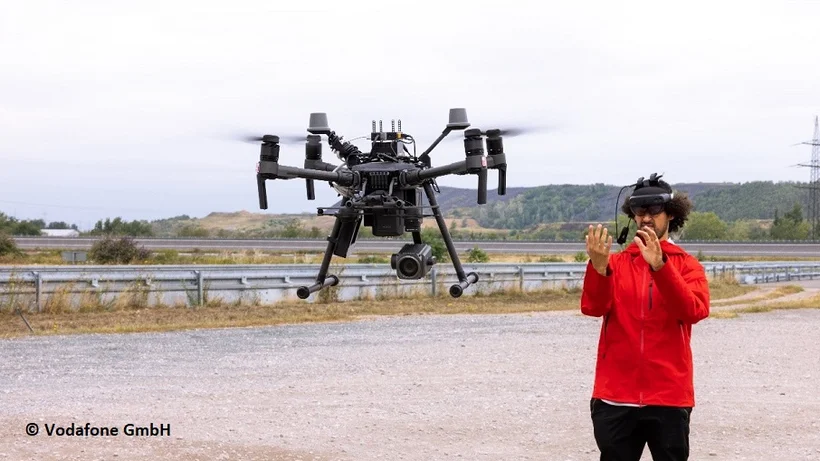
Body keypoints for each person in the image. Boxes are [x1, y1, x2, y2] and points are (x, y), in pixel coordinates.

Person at [580, 176, 710, 461]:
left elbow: (693, 311)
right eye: (640, 211)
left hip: (669, 395)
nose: (646, 218)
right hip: (615, 396)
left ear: (672, 213)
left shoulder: (687, 265)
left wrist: (660, 266)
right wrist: (599, 269)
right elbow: (593, 307)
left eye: (654, 210)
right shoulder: (615, 263)